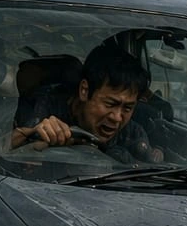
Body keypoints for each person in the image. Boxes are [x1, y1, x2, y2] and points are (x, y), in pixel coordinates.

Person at [9, 42, 163, 164]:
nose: (117, 117)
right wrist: (32, 134)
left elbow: (152, 167)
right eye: (110, 104)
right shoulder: (40, 108)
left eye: (127, 108)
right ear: (84, 90)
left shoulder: (132, 134)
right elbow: (0, 151)